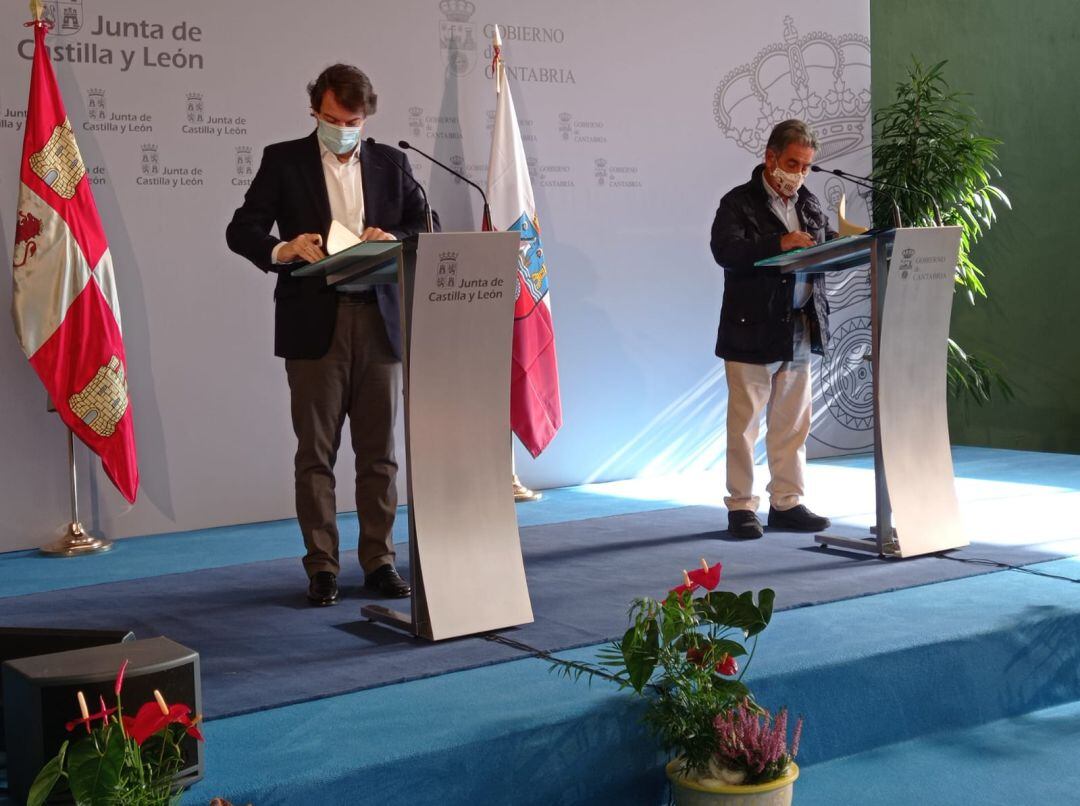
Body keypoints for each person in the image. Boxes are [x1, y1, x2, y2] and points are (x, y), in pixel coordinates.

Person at [227, 64, 435, 604]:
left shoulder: (393, 161)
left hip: (379, 318)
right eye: (332, 118)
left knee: (380, 454)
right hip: (314, 318)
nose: (342, 128)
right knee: (316, 453)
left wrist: (392, 235)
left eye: (353, 120)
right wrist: (284, 248)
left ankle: (380, 561)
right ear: (315, 111)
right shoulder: (284, 160)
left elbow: (424, 223)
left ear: (367, 117)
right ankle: (322, 566)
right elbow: (242, 229)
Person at [709, 119, 837, 540]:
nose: (798, 174)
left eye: (805, 167)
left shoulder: (811, 203)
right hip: (751, 328)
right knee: (745, 424)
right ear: (770, 158)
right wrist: (776, 244)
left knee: (792, 425)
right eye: (792, 163)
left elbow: (826, 242)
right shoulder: (738, 202)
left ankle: (787, 502)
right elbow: (726, 251)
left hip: (799, 324)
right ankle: (742, 507)